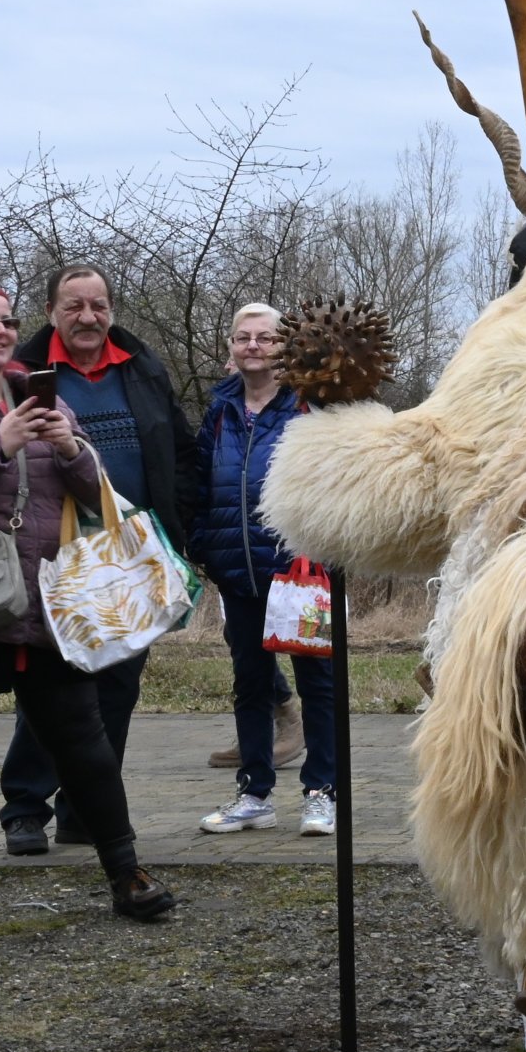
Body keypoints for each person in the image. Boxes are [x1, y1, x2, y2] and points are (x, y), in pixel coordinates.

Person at [0, 282, 177, 931]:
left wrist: (71, 448)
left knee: (84, 742)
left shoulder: (34, 389)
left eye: (7, 321)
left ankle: (126, 873)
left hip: (42, 606)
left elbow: (94, 493)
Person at [0, 264, 198, 854]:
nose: (88, 317)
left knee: (118, 683)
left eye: (98, 305)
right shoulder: (21, 372)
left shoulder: (142, 368)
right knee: (51, 681)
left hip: (132, 552)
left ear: (111, 309)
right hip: (50, 551)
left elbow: (179, 452)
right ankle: (25, 807)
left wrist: (174, 521)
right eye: (74, 305)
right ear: (52, 310)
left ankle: (86, 807)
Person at [192, 304, 338, 836]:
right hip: (239, 571)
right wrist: (203, 543)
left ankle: (321, 791)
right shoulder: (220, 411)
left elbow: (332, 479)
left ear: (284, 347)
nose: (253, 345)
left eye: (264, 338)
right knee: (251, 683)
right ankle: (254, 794)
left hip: (298, 570)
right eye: (242, 337)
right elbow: (202, 480)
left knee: (316, 681)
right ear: (230, 346)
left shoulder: (308, 406)